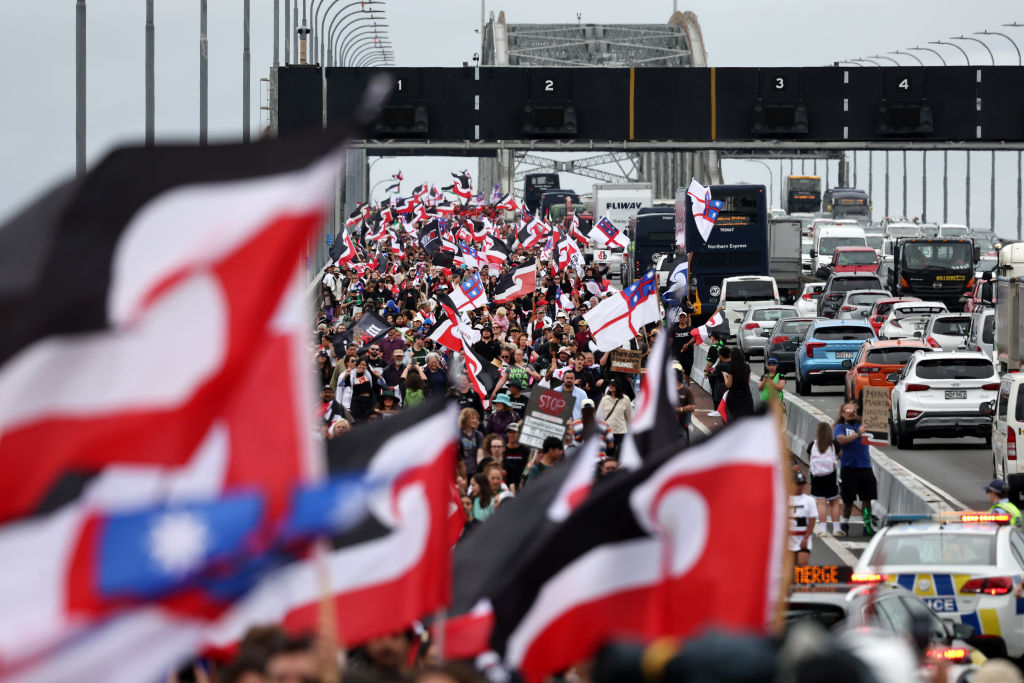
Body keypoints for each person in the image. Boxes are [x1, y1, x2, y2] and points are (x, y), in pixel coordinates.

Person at [834, 402, 878, 536]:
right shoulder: (840, 427)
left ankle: (867, 524)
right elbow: (840, 441)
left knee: (867, 499)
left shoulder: (862, 425)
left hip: (865, 467)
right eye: (848, 411)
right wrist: (857, 434)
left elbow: (879, 417)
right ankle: (845, 524)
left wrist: (886, 405)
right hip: (849, 468)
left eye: (853, 411)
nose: (851, 413)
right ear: (843, 414)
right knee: (848, 501)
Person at [808, 421, 842, 537]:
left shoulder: (812, 444)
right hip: (831, 476)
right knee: (834, 502)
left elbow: (809, 458)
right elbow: (839, 456)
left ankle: (823, 529)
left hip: (817, 476)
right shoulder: (834, 444)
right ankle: (836, 528)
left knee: (821, 503)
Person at [597, 379, 633, 455]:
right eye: (610, 385)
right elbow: (599, 417)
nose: (611, 386)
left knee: (619, 455)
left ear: (618, 387)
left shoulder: (625, 399)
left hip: (620, 432)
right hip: (607, 432)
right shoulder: (605, 399)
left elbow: (630, 416)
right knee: (608, 455)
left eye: (613, 385)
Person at [789, 471, 817, 567]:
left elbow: (812, 521)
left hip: (803, 538)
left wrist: (806, 538)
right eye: (798, 484)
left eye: (802, 484)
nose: (800, 486)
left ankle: (808, 580)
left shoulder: (809, 500)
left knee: (802, 565)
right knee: (789, 570)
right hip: (788, 538)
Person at [722, 347, 754, 422]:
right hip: (746, 395)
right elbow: (748, 381)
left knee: (735, 420)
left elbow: (728, 385)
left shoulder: (732, 367)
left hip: (734, 396)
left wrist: (724, 376)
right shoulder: (747, 366)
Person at [458, 407, 484, 480]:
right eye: (472, 418)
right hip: (460, 472)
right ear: (465, 419)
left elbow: (480, 456)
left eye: (476, 418)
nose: (475, 421)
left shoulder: (478, 435)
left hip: (474, 472)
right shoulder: (457, 435)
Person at [671, 312, 696, 386]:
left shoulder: (691, 329)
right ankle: (677, 390)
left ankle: (687, 388)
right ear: (678, 319)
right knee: (676, 373)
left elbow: (695, 338)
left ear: (686, 319)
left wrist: (688, 344)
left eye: (683, 317)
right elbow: (670, 340)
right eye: (681, 317)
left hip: (688, 356)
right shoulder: (674, 330)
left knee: (687, 374)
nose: (682, 319)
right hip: (676, 355)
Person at [503, 423, 529, 490]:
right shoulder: (503, 450)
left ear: (519, 434)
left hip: (520, 484)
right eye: (509, 432)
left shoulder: (525, 450)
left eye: (514, 432)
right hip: (506, 484)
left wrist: (523, 479)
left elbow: (527, 466)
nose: (511, 435)